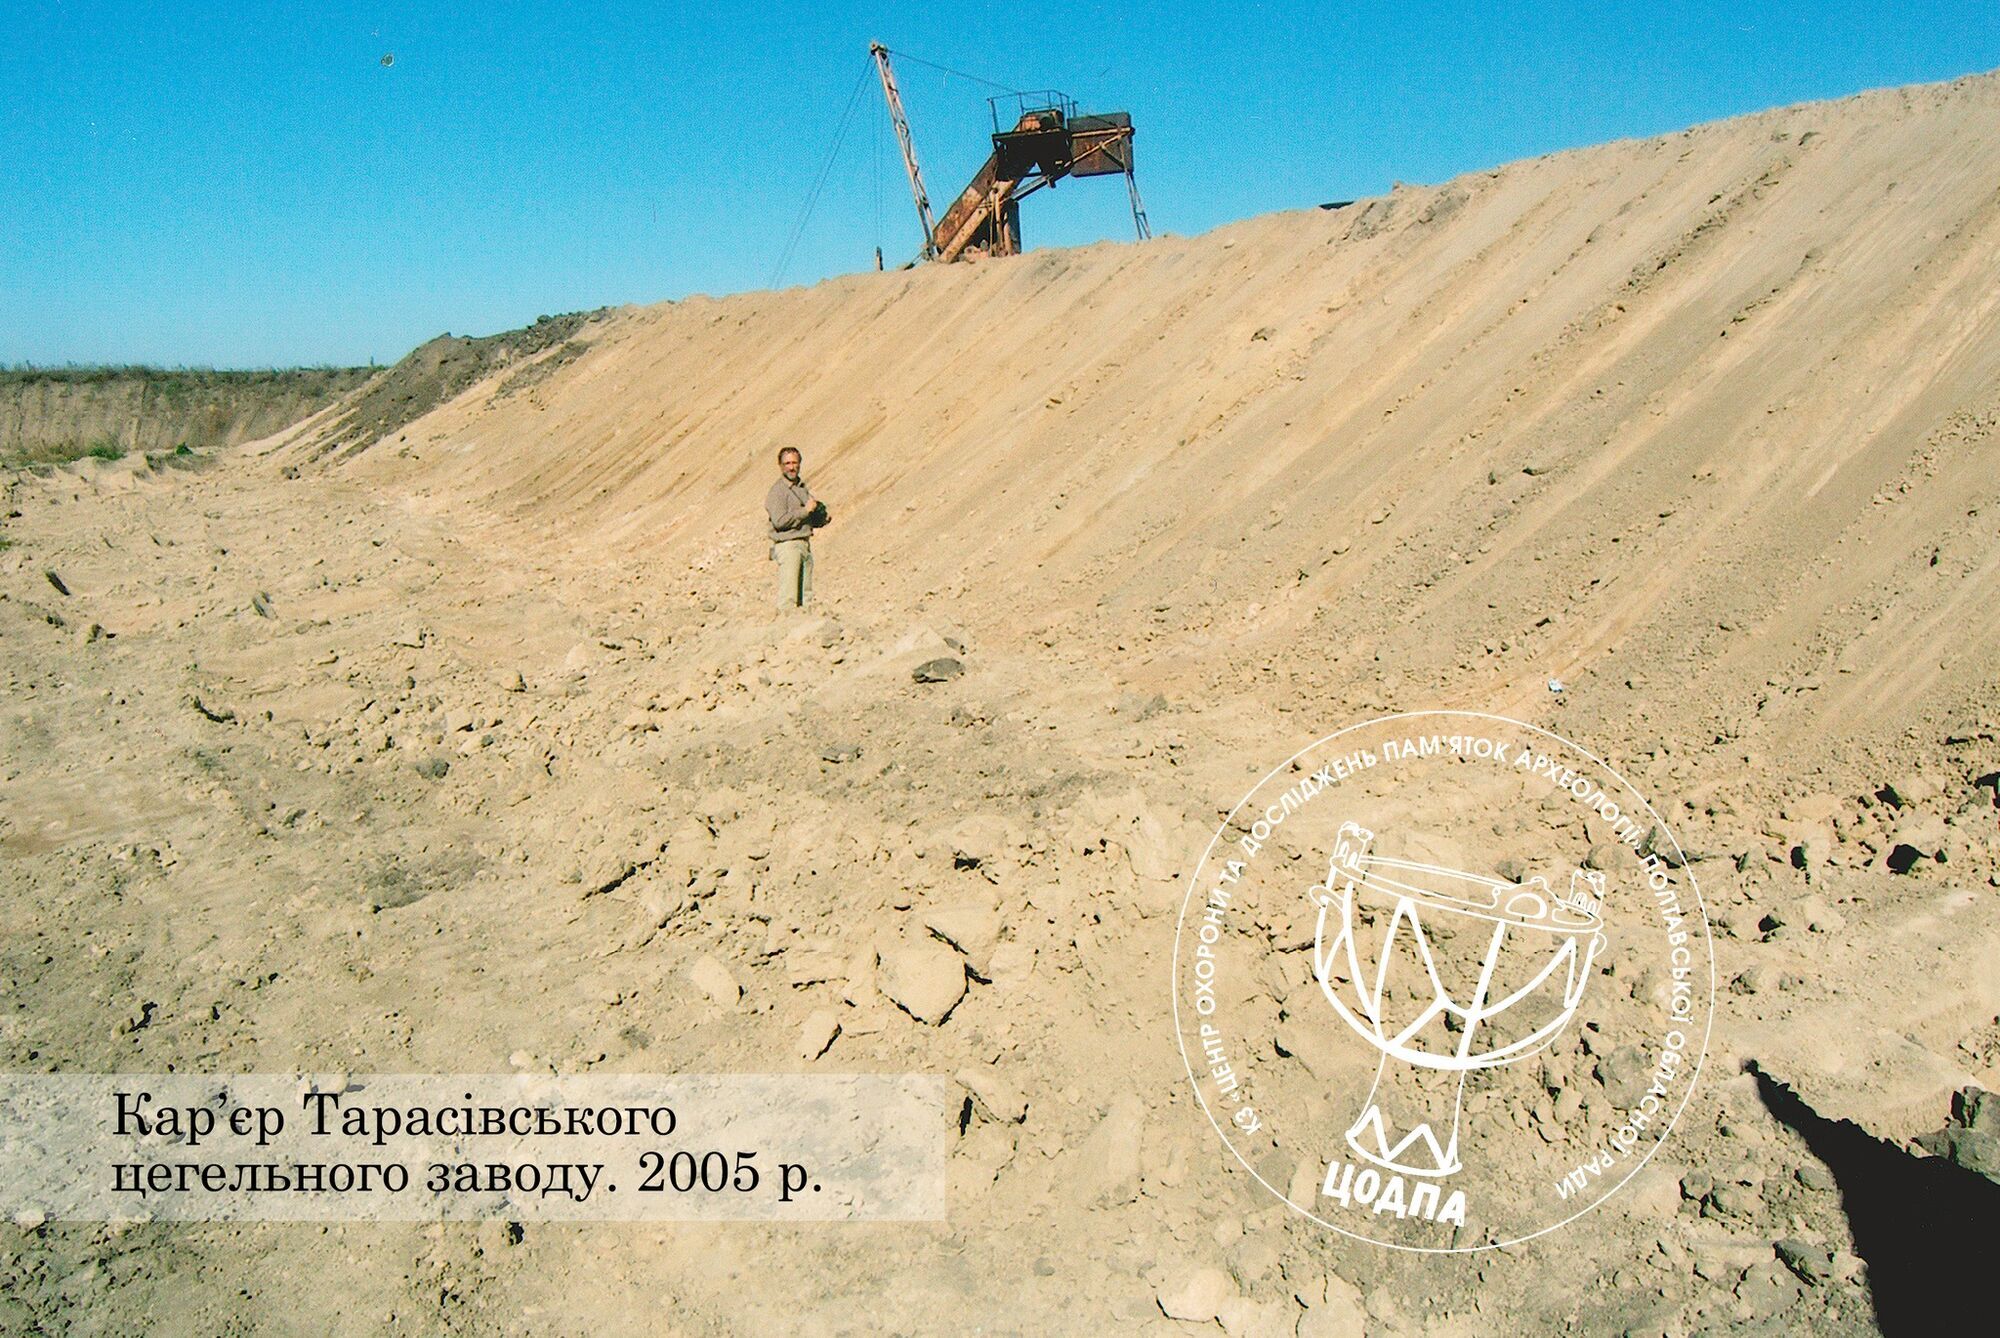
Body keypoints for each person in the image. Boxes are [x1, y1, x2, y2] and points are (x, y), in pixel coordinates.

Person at [766, 447, 829, 608]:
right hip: (788, 546)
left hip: (804, 544)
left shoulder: (801, 488)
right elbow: (779, 521)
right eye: (787, 463)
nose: (791, 467)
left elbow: (804, 517)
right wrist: (805, 511)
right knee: (788, 600)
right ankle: (785, 623)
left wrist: (819, 518)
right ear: (780, 466)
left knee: (806, 598)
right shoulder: (778, 491)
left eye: (794, 463)